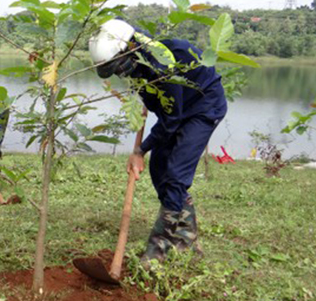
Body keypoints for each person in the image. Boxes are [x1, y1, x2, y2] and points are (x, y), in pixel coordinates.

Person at [89, 19, 228, 268]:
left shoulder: (164, 61)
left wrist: (140, 150)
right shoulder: (140, 64)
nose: (122, 73)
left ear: (130, 47)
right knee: (159, 169)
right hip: (177, 110)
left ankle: (157, 250)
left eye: (121, 67)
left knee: (176, 175)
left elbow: (172, 119)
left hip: (203, 108)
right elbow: (164, 110)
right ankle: (186, 236)